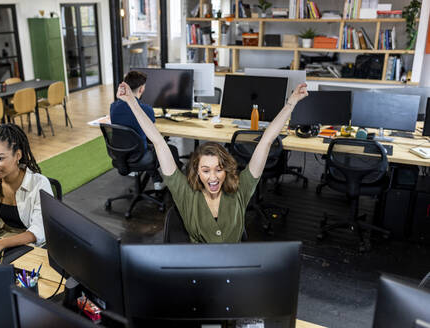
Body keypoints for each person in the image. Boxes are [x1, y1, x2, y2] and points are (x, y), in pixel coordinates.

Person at [115, 81, 308, 243]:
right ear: (197, 172)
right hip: (200, 270)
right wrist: (132, 101)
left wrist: (291, 103)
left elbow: (266, 141)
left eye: (219, 169)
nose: (213, 177)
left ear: (227, 170)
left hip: (235, 269)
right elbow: (157, 141)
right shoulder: (185, 192)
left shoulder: (242, 188)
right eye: (206, 170)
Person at [0, 124, 53, 258]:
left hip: (29, 244)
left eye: (0, 158)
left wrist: (1, 244)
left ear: (18, 155)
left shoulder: (39, 184)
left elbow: (38, 231)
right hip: (2, 237)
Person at [110, 70, 182, 190]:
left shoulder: (113, 106)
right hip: (139, 153)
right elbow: (152, 133)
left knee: (148, 145)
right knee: (170, 149)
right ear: (142, 89)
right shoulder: (146, 110)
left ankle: (156, 178)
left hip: (121, 153)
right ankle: (177, 185)